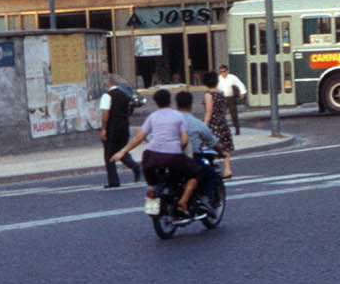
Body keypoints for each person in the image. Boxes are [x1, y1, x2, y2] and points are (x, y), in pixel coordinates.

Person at [112, 87, 201, 216]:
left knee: (153, 181)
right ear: (170, 101)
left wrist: (122, 151)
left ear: (156, 102)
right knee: (196, 172)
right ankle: (183, 201)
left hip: (151, 156)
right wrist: (178, 151)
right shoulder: (178, 116)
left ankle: (153, 193)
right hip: (173, 156)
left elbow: (139, 137)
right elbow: (185, 140)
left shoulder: (152, 117)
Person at [99, 75, 142, 188]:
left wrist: (103, 129)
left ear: (108, 84)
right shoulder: (125, 95)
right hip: (124, 124)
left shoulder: (107, 96)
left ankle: (113, 181)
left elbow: (105, 114)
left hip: (112, 126)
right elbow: (130, 109)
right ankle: (135, 167)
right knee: (121, 150)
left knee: (109, 153)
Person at [200, 70, 237, 178]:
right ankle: (228, 169)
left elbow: (209, 111)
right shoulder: (221, 93)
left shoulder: (208, 94)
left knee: (210, 146)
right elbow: (223, 108)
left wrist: (204, 125)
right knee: (225, 146)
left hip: (213, 123)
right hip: (222, 121)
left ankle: (210, 170)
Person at [215, 64, 248, 135]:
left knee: (234, 114)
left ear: (227, 71)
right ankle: (222, 130)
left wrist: (242, 92)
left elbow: (240, 84)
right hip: (222, 98)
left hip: (231, 98)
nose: (223, 73)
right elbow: (216, 88)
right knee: (221, 114)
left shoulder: (232, 77)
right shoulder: (218, 79)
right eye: (221, 72)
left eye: (224, 71)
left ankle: (237, 129)